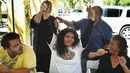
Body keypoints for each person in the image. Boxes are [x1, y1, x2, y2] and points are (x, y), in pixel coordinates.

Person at [56, 5, 112, 73]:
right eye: (89, 12)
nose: (89, 14)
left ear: (98, 14)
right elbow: (73, 24)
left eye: (92, 12)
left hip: (97, 57)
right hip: (83, 56)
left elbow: (108, 42)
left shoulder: (106, 27)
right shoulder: (84, 21)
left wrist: (102, 52)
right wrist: (64, 21)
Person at [48, 6, 95, 73]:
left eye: (72, 38)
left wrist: (91, 20)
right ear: (62, 37)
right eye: (67, 37)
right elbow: (46, 30)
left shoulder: (78, 46)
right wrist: (46, 14)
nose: (70, 39)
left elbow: (86, 35)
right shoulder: (54, 43)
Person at [30, 1, 59, 73]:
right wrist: (41, 11)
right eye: (43, 6)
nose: (45, 8)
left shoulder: (53, 19)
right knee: (38, 69)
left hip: (50, 50)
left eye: (47, 7)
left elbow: (57, 33)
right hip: (38, 49)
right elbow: (35, 23)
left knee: (48, 69)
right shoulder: (37, 17)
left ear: (50, 9)